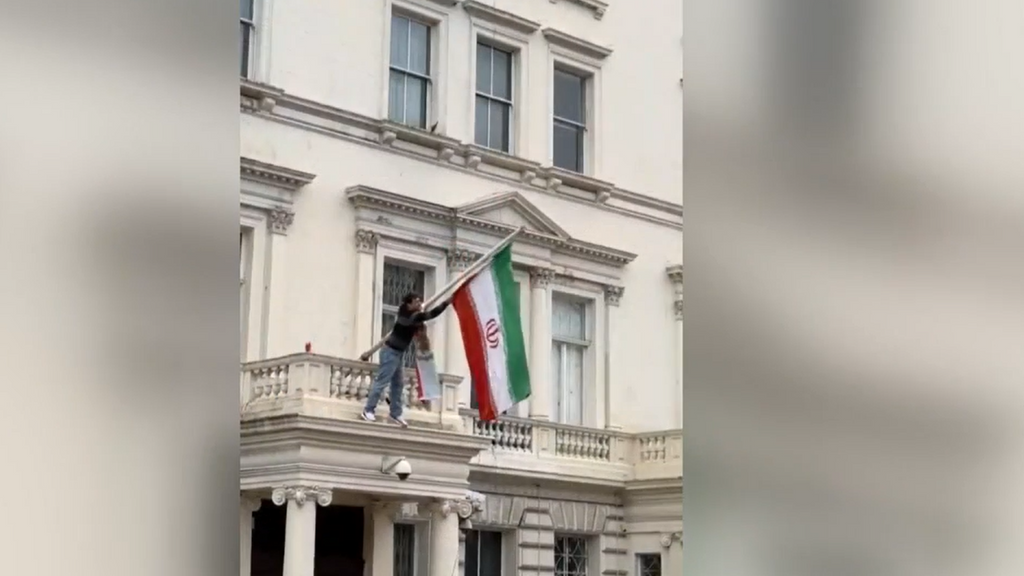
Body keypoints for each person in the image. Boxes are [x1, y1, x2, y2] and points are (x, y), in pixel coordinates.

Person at [362, 292, 450, 426]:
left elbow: (421, 322)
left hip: (398, 353)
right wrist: (446, 303)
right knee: (382, 381)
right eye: (416, 301)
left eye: (420, 301)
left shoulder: (411, 315)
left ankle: (395, 413)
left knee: (398, 384)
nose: (419, 303)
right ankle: (368, 410)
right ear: (409, 304)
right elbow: (430, 314)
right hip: (390, 352)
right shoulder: (408, 316)